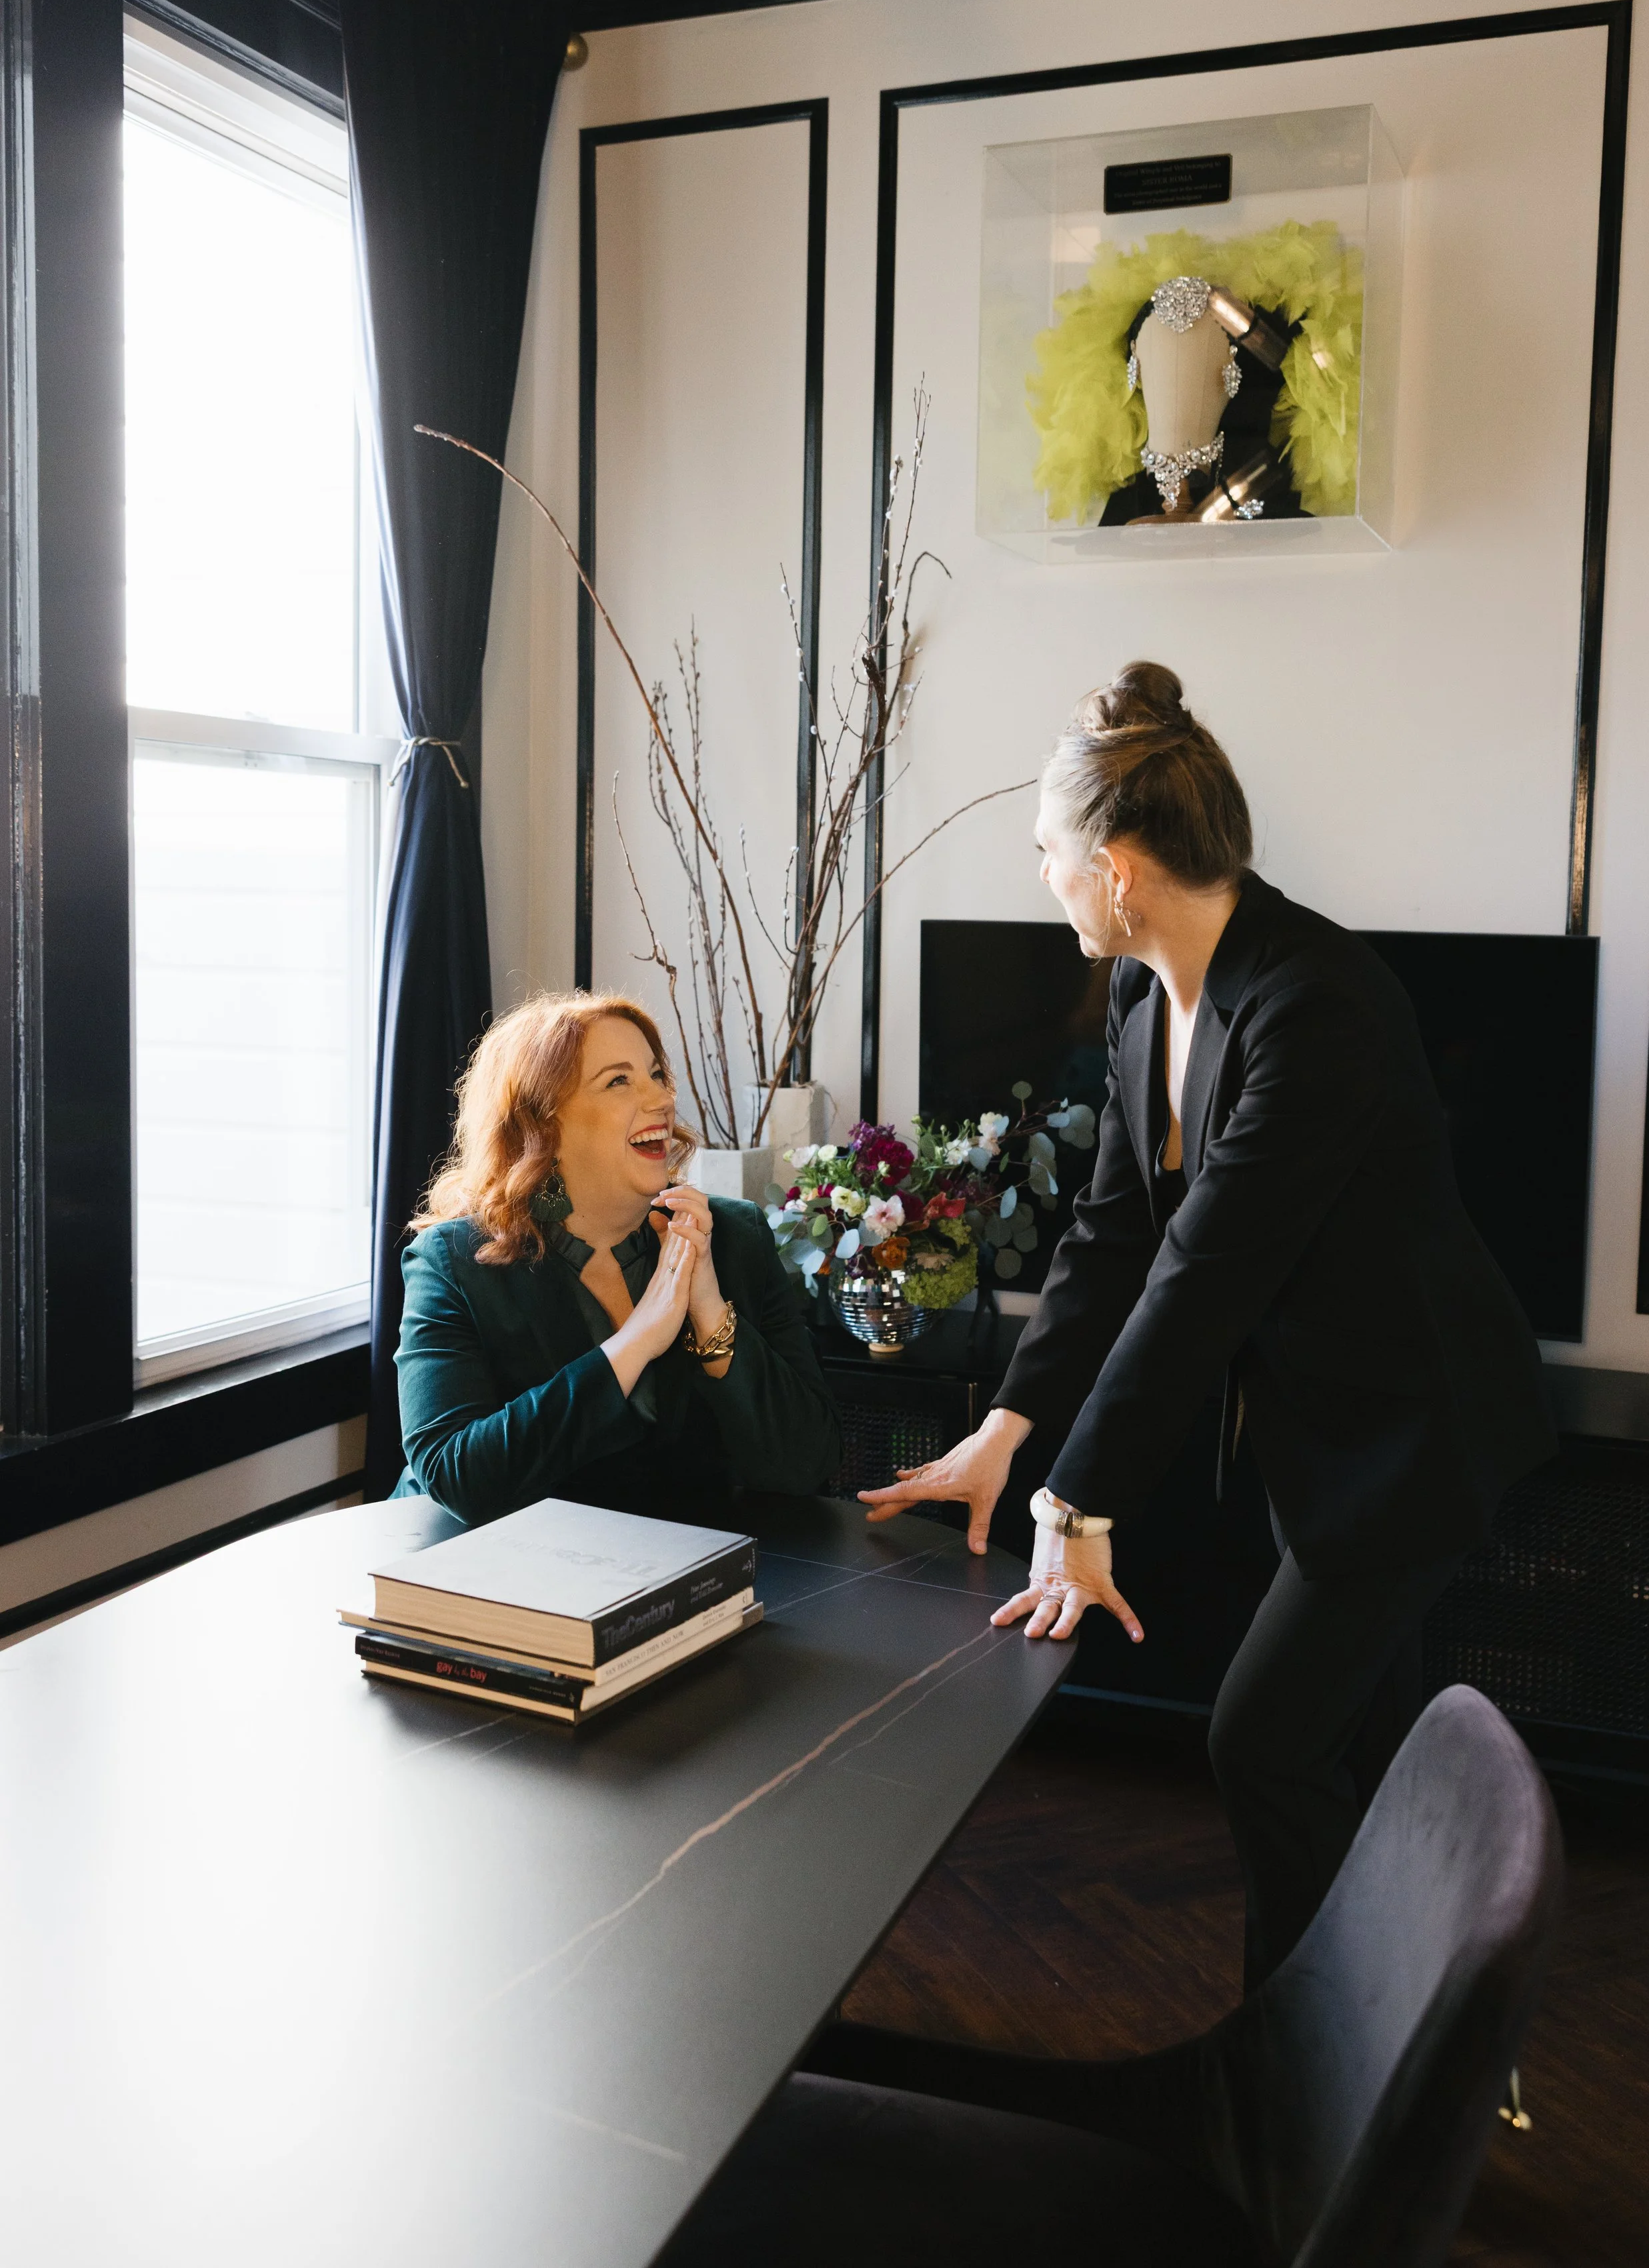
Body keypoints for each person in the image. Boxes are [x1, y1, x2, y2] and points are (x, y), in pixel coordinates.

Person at [860, 663, 1556, 1988]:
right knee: (1372, 1737)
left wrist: (1079, 1501)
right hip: (1320, 1428)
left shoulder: (1315, 1005)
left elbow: (1204, 1272)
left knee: (1263, 1740)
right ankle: (1428, 2012)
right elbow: (1111, 1235)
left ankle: (1308, 2046)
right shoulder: (1139, 1000)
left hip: (1412, 1432)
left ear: (1115, 865)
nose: (1044, 877)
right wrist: (1007, 1428)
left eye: (1049, 854)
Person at [393, 989, 840, 1528]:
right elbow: (459, 1478)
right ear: (545, 1126)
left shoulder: (733, 1235)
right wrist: (636, 1342)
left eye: (656, 1075)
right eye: (619, 1081)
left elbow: (807, 1465)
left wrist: (709, 1313)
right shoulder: (453, 1262)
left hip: (670, 1575)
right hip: (480, 1577)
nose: (660, 1100)